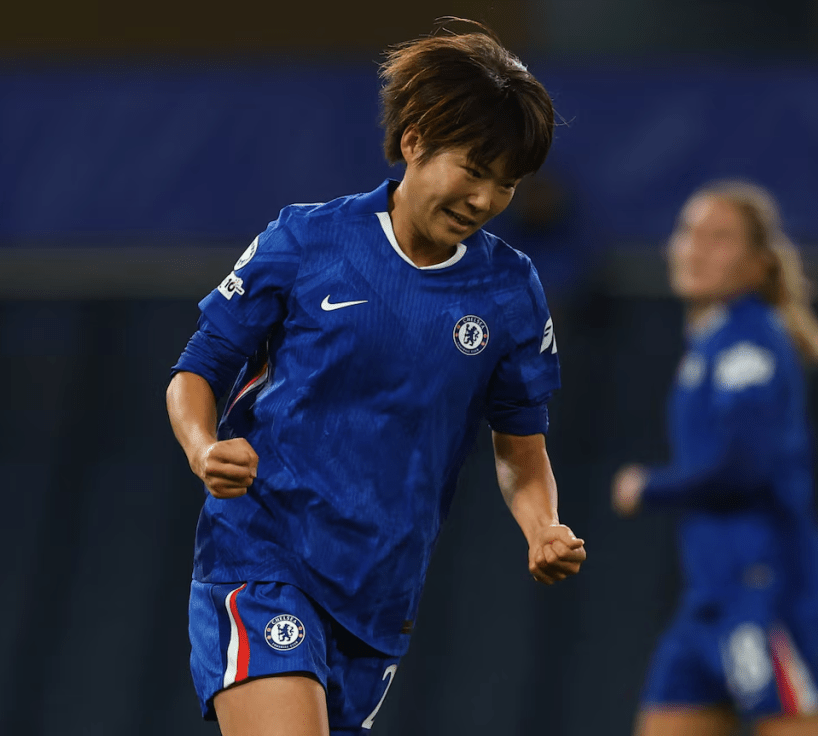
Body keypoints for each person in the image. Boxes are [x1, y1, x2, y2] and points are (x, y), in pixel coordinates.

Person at [166, 21, 586, 736]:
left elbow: (522, 450)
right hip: (261, 559)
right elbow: (196, 370)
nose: (485, 199)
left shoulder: (510, 292)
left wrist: (543, 526)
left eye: (506, 184)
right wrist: (205, 449)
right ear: (416, 138)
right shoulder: (307, 240)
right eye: (474, 169)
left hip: (379, 597)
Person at [611, 180, 818, 736]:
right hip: (709, 598)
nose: (694, 247)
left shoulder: (749, 343)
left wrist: (649, 487)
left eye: (719, 238)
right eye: (689, 231)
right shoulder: (713, 341)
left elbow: (745, 467)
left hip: (762, 593)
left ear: (759, 264)